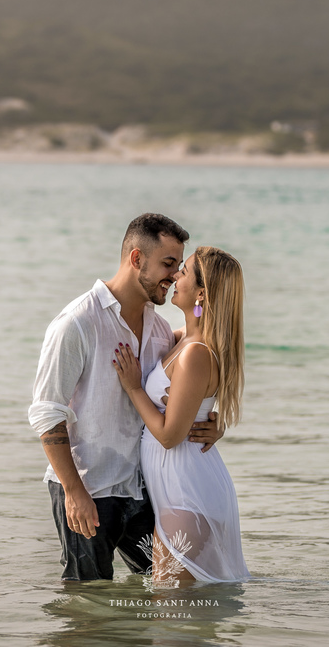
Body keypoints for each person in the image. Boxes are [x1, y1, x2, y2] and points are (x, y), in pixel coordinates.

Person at [28, 214, 225, 582]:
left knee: (170, 590)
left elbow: (187, 387)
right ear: (137, 259)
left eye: (178, 266)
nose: (173, 275)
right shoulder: (77, 323)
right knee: (88, 602)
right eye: (168, 264)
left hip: (144, 493)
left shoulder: (162, 330)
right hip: (91, 489)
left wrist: (212, 424)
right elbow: (46, 414)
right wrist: (74, 491)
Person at [112, 246, 250, 586]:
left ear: (201, 293)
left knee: (172, 616)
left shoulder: (196, 355)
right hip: (179, 491)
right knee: (182, 620)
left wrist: (134, 388)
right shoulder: (181, 341)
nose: (175, 276)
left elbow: (170, 435)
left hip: (187, 494)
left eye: (183, 272)